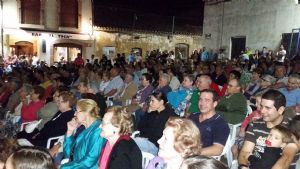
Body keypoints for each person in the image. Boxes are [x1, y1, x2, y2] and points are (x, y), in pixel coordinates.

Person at [238, 89, 298, 169]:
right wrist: (244, 166)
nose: (262, 111)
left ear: (280, 110)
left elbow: (286, 158)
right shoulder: (255, 124)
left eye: (268, 108)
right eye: (261, 106)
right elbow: (245, 152)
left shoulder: (292, 127)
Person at [60, 99, 105, 169]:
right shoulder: (84, 127)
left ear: (86, 113)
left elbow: (89, 161)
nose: (74, 114)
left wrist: (64, 167)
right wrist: (69, 132)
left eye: (77, 111)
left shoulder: (98, 131)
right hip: (75, 165)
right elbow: (68, 153)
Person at [189, 89, 230, 156]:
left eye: (207, 100)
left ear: (214, 104)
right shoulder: (193, 116)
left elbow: (217, 150)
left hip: (199, 157)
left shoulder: (220, 124)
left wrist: (193, 153)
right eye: (201, 99)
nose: (202, 103)